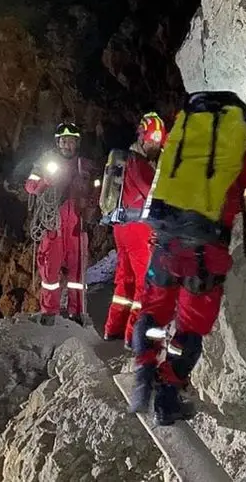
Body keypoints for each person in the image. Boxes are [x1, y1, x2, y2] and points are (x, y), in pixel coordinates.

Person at [131, 93, 246, 426]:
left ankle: (144, 368)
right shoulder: (239, 151)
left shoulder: (181, 144)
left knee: (154, 310)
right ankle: (167, 395)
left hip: (164, 243)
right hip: (205, 253)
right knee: (190, 328)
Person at [103, 112, 167, 348]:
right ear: (142, 137)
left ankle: (112, 328)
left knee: (124, 281)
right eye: (152, 139)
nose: (155, 144)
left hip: (122, 229)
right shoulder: (139, 164)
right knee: (144, 284)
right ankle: (133, 336)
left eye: (158, 140)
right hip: (139, 231)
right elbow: (152, 193)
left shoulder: (127, 160)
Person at [25, 122, 95, 325]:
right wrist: (46, 180)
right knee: (50, 269)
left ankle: (77, 311)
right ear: (58, 143)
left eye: (70, 141)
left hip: (76, 225)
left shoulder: (85, 165)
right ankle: (49, 311)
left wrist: (91, 201)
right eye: (63, 141)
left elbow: (98, 187)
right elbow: (30, 186)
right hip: (53, 225)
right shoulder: (45, 162)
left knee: (77, 272)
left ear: (77, 143)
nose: (67, 145)